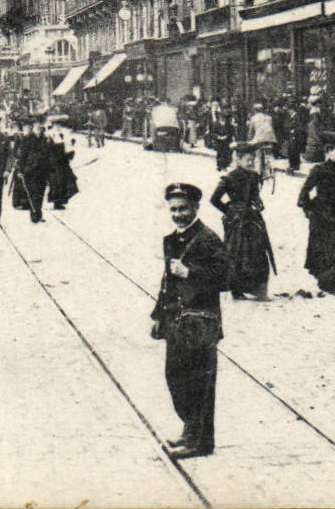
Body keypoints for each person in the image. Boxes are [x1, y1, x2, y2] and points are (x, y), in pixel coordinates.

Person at [150, 183, 229, 460]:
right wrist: (158, 315)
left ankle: (200, 441)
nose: (179, 214)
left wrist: (190, 272)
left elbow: (225, 278)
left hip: (200, 323)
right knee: (176, 379)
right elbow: (166, 281)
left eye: (183, 209)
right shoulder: (171, 239)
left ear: (196, 207)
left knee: (199, 383)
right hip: (175, 322)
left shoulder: (208, 238)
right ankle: (189, 430)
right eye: (173, 209)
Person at [211, 145, 275, 299]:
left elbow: (254, 196)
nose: (251, 163)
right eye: (248, 160)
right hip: (237, 223)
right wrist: (230, 210)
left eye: (253, 160)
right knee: (237, 254)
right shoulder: (229, 178)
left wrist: (257, 203)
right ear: (238, 160)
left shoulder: (253, 177)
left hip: (252, 221)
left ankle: (257, 289)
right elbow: (214, 199)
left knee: (257, 253)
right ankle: (236, 290)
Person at [300, 143, 335, 294]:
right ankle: (327, 282)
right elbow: (305, 190)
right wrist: (308, 208)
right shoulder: (319, 169)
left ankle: (334, 280)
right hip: (320, 214)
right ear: (328, 152)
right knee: (322, 248)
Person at [46, 124, 79, 210]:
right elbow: (48, 150)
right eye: (57, 125)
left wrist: (69, 153)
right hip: (54, 163)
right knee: (57, 183)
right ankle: (57, 202)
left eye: (60, 125)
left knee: (67, 181)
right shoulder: (50, 135)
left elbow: (68, 149)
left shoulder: (63, 135)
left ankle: (61, 201)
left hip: (63, 163)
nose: (58, 127)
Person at [246, 102, 277, 178]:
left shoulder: (253, 118)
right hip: (270, 138)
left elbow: (251, 131)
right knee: (268, 153)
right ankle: (270, 166)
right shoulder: (269, 118)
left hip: (259, 139)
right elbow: (272, 129)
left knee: (258, 155)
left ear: (255, 110)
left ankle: (258, 173)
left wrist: (249, 140)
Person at [207, 102, 234, 173]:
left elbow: (231, 132)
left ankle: (225, 165)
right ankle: (219, 166)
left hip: (226, 140)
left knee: (225, 153)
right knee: (219, 153)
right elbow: (213, 132)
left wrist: (227, 136)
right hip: (219, 141)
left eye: (224, 118)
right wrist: (217, 137)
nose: (222, 119)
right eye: (222, 118)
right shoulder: (217, 124)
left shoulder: (228, 125)